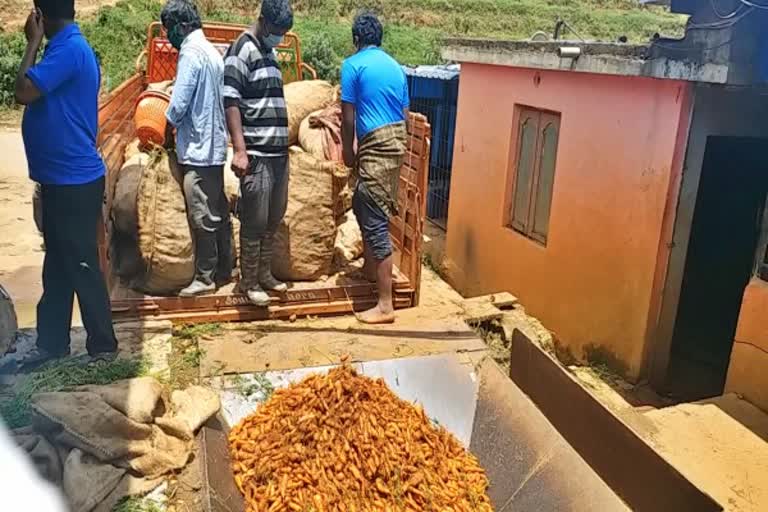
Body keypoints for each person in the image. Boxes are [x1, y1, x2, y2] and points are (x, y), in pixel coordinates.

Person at [15, 0, 118, 367]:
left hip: (74, 180)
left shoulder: (69, 49)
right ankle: (52, 343)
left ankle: (104, 348)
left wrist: (31, 43)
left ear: (40, 15)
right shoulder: (63, 48)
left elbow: (23, 91)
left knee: (81, 264)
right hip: (60, 179)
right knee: (57, 264)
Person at [341, 12, 410, 324]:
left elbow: (348, 118)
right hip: (394, 145)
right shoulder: (396, 67)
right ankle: (370, 271)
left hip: (376, 146)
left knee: (373, 214)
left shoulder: (353, 66)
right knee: (363, 202)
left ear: (357, 40)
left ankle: (385, 305)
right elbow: (404, 114)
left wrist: (348, 152)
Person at [223, 0, 293, 306]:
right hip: (258, 154)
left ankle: (264, 274)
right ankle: (248, 282)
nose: (279, 37)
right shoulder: (242, 49)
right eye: (276, 31)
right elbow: (230, 99)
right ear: (262, 21)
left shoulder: (269, 52)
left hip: (278, 155)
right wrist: (240, 149)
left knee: (273, 219)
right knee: (254, 220)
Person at [161, 0, 232, 297]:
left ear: (182, 26)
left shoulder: (191, 52)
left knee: (202, 213)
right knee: (218, 210)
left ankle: (205, 277)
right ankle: (226, 269)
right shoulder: (211, 51)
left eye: (169, 30)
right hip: (213, 145)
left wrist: (165, 130)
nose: (168, 36)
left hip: (199, 148)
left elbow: (178, 103)